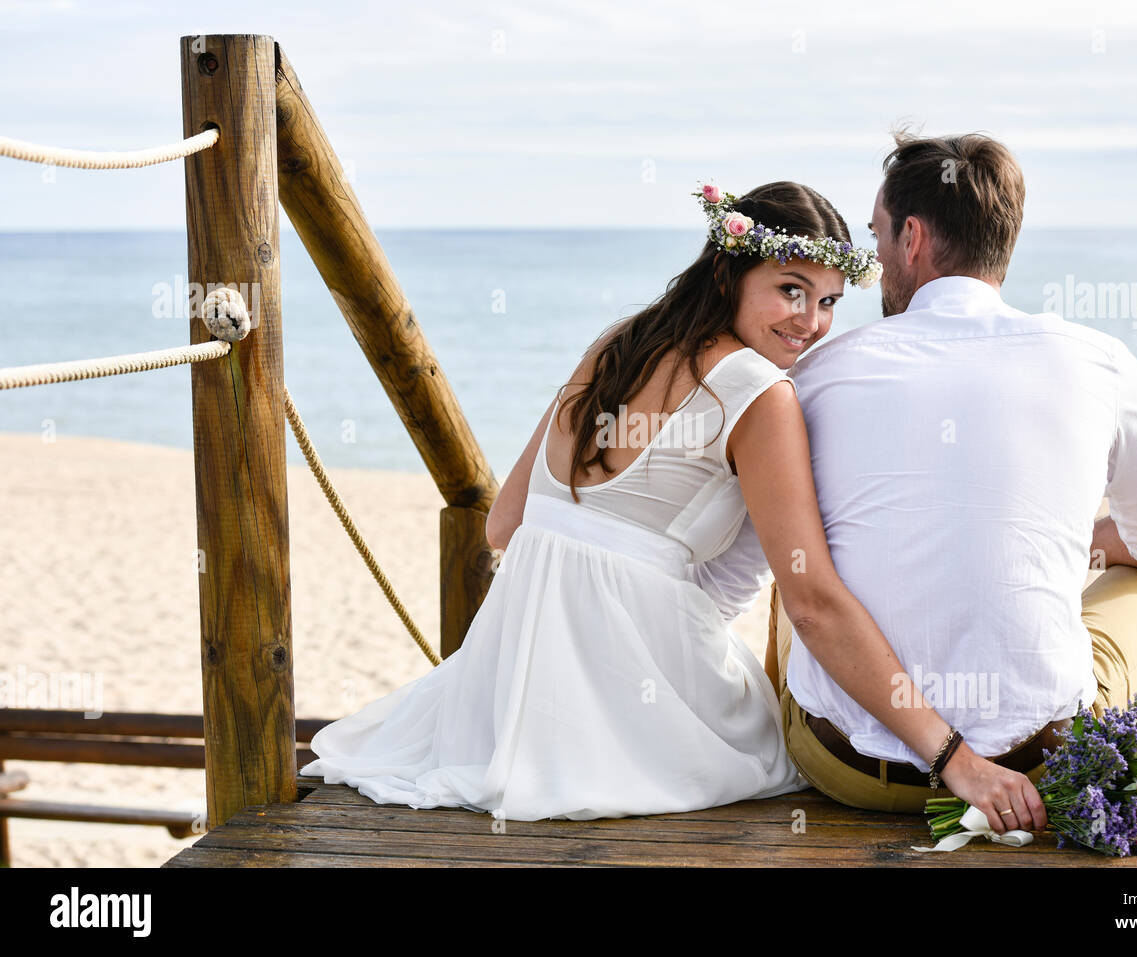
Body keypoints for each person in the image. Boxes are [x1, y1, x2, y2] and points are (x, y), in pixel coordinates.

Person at [301, 179, 1041, 823]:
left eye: (828, 302)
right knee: (776, 748)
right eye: (790, 289)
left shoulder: (616, 340)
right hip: (640, 691)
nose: (811, 324)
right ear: (730, 273)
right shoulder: (761, 392)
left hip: (508, 694)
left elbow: (504, 523)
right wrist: (954, 757)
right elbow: (810, 598)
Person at [695, 131, 1137, 834]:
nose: (874, 261)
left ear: (912, 238)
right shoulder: (1100, 361)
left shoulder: (814, 376)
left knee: (800, 566)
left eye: (877, 237)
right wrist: (1077, 544)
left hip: (853, 772)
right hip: (1037, 766)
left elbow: (753, 569)